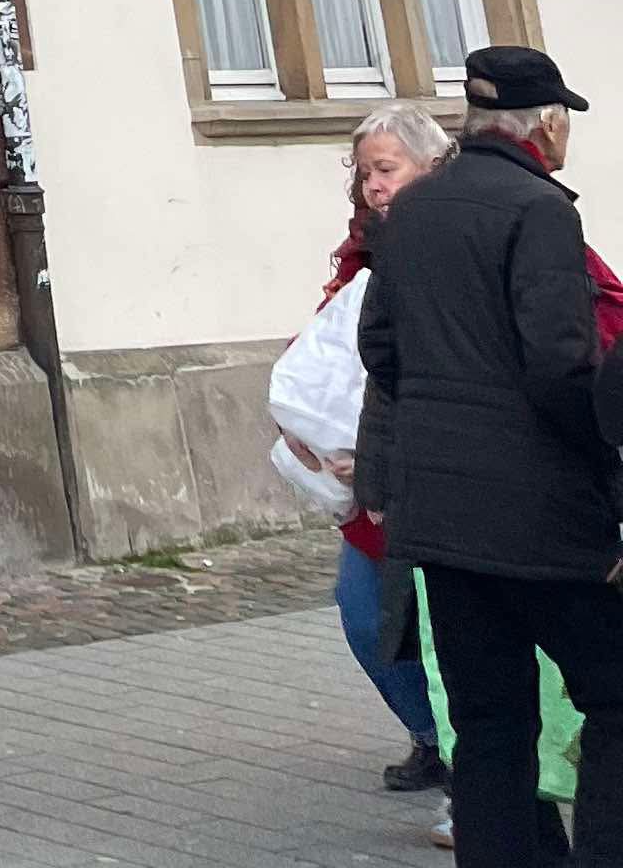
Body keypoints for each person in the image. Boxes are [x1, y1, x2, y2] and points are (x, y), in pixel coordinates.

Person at [360, 44, 623, 868]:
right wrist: (604, 475)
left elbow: (380, 348)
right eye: (564, 119)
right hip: (541, 516)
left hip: (440, 518)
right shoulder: (539, 209)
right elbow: (561, 367)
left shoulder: (411, 212)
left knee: (488, 722)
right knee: (614, 696)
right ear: (545, 126)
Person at [275, 99, 452, 789]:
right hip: (367, 482)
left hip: (432, 476)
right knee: (363, 614)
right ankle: (432, 736)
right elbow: (337, 352)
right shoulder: (363, 254)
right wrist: (303, 416)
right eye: (365, 174)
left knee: (445, 630)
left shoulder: (458, 236)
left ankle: (475, 756)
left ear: (431, 166)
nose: (373, 186)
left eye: (386, 170)